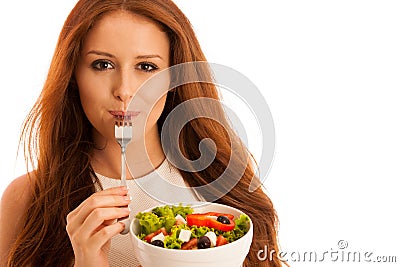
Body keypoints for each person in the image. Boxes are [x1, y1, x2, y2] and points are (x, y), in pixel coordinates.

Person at [0, 0, 284, 266]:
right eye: (102, 65)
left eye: (147, 67)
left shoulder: (222, 177)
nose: (124, 90)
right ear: (73, 74)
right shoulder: (26, 199)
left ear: (175, 76)